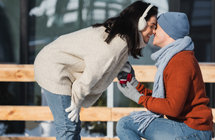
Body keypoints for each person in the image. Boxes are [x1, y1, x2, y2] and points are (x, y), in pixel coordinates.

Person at [33, 1, 158, 139]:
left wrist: (145, 96)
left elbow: (122, 73)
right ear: (139, 22)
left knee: (72, 127)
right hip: (52, 66)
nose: (153, 32)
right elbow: (93, 74)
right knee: (67, 127)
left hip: (59, 65)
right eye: (151, 26)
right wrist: (76, 101)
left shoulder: (121, 40)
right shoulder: (116, 44)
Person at [116, 12, 214, 140]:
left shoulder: (181, 61)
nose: (153, 31)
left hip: (192, 131)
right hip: (189, 129)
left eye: (157, 27)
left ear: (169, 32)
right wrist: (136, 86)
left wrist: (138, 98)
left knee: (125, 124)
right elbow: (165, 100)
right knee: (127, 123)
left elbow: (173, 108)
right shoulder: (175, 57)